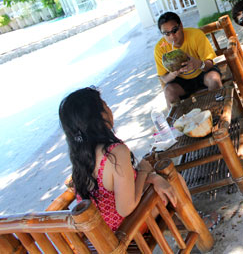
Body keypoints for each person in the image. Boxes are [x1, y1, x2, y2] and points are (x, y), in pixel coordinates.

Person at [58, 86, 177, 231]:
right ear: (99, 116)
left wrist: (150, 177)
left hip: (101, 233)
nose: (108, 108)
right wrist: (145, 173)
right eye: (104, 104)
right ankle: (199, 229)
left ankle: (179, 221)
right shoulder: (114, 153)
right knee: (173, 181)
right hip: (126, 231)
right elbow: (125, 209)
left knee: (159, 182)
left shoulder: (81, 155)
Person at [154, 12, 222, 107]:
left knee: (213, 79)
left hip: (203, 73)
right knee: (169, 91)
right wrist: (172, 74)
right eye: (166, 33)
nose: (172, 36)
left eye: (174, 30)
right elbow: (163, 78)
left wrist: (199, 64)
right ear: (162, 34)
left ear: (181, 25)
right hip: (182, 82)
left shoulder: (196, 35)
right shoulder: (160, 48)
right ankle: (179, 120)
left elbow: (210, 63)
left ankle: (219, 109)